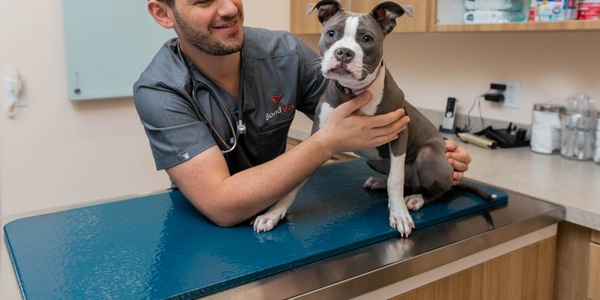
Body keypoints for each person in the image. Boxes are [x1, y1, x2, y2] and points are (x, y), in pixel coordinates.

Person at [134, 0, 471, 228]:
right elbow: (221, 203)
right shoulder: (159, 90)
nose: (229, 7)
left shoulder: (284, 52)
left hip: (286, 222)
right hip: (205, 233)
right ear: (163, 14)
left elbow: (362, 106)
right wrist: (325, 144)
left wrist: (433, 150)